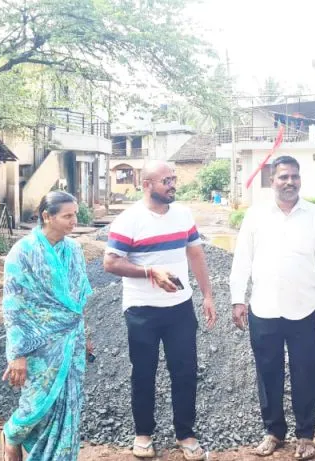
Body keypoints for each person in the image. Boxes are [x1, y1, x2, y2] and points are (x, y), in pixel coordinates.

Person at [103, 161, 217, 461]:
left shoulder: (183, 214)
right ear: (147, 185)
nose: (172, 184)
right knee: (143, 372)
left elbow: (195, 252)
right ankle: (143, 433)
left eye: (174, 179)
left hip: (180, 308)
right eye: (166, 180)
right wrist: (150, 271)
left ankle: (185, 434)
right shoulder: (129, 220)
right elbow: (111, 263)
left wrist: (206, 295)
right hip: (142, 311)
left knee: (185, 372)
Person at [229, 155, 315, 460]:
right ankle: (274, 431)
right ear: (271, 180)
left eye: (295, 176)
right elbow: (242, 260)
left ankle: (305, 436)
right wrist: (238, 299)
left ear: (300, 180)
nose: (290, 182)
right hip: (264, 308)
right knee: (268, 372)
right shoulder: (256, 215)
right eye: (283, 177)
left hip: (305, 309)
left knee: (307, 372)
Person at [0, 191, 93, 461]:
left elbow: (78, 299)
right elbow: (13, 307)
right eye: (67, 215)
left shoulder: (74, 250)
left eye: (75, 214)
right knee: (35, 406)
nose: (74, 220)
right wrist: (17, 355)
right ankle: (12, 435)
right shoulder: (23, 253)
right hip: (38, 347)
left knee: (68, 407)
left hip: (71, 343)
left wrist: (84, 336)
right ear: (46, 217)